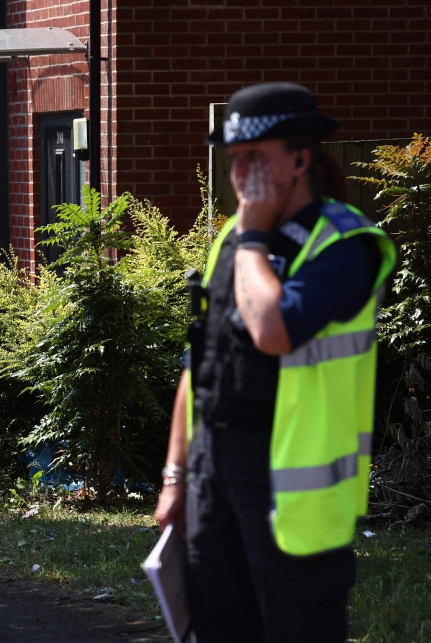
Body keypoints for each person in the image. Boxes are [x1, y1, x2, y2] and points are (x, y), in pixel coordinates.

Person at [154, 83, 396, 642]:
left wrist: (255, 235)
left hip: (289, 490)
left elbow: (272, 330)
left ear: (301, 159)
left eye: (256, 157)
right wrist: (176, 475)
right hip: (215, 469)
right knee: (217, 626)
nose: (241, 174)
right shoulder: (235, 243)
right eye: (236, 159)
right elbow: (201, 363)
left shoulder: (343, 245)